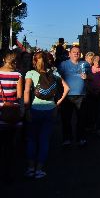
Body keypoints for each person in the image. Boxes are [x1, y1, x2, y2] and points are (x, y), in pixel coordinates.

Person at [24, 51, 70, 179]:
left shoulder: (30, 73)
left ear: (34, 61)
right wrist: (58, 103)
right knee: (44, 140)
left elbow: (27, 91)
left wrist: (27, 109)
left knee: (32, 140)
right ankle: (39, 169)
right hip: (50, 109)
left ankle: (30, 168)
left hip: (34, 109)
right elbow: (67, 88)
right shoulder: (54, 73)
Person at [58, 45, 89, 145]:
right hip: (67, 96)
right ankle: (67, 138)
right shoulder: (63, 64)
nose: (76, 53)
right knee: (66, 119)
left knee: (81, 119)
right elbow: (58, 78)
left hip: (81, 96)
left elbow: (90, 77)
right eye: (74, 52)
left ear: (80, 54)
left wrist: (87, 76)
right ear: (69, 54)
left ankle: (81, 138)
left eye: (78, 52)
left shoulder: (85, 64)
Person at [0, 50, 24, 182]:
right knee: (9, 145)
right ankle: (7, 173)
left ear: (4, 59)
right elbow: (19, 96)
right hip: (11, 113)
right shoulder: (17, 75)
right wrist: (22, 112)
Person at [86, 53, 100, 137]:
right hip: (91, 93)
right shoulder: (89, 69)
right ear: (93, 61)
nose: (98, 62)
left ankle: (99, 128)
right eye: (96, 60)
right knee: (91, 111)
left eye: (99, 60)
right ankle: (91, 126)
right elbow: (86, 81)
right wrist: (91, 90)